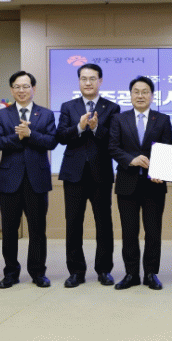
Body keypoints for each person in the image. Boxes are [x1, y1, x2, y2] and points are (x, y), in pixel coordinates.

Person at [56, 63, 120, 288]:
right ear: (79, 81)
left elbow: (113, 139)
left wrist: (95, 128)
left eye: (92, 78)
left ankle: (104, 270)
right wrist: (80, 127)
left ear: (100, 81)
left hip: (100, 173)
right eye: (84, 78)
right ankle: (76, 271)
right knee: (73, 223)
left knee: (104, 224)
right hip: (73, 174)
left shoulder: (111, 108)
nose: (88, 83)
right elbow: (60, 136)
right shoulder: (68, 106)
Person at [0, 71, 57, 289]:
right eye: (17, 87)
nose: (22, 90)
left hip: (37, 179)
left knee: (37, 230)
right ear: (12, 90)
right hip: (9, 179)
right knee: (9, 230)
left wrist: (30, 134)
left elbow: (51, 142)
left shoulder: (46, 114)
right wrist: (17, 137)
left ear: (33, 89)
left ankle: (38, 273)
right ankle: (11, 273)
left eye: (26, 86)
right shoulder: (1, 115)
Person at [108, 76, 172, 290]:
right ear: (130, 95)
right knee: (129, 232)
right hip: (127, 183)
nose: (140, 95)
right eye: (136, 91)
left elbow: (168, 149)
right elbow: (113, 147)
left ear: (152, 96)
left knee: (153, 232)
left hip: (154, 184)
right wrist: (131, 160)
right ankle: (131, 274)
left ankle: (151, 273)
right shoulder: (119, 119)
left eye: (145, 92)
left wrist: (161, 171)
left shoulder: (162, 119)